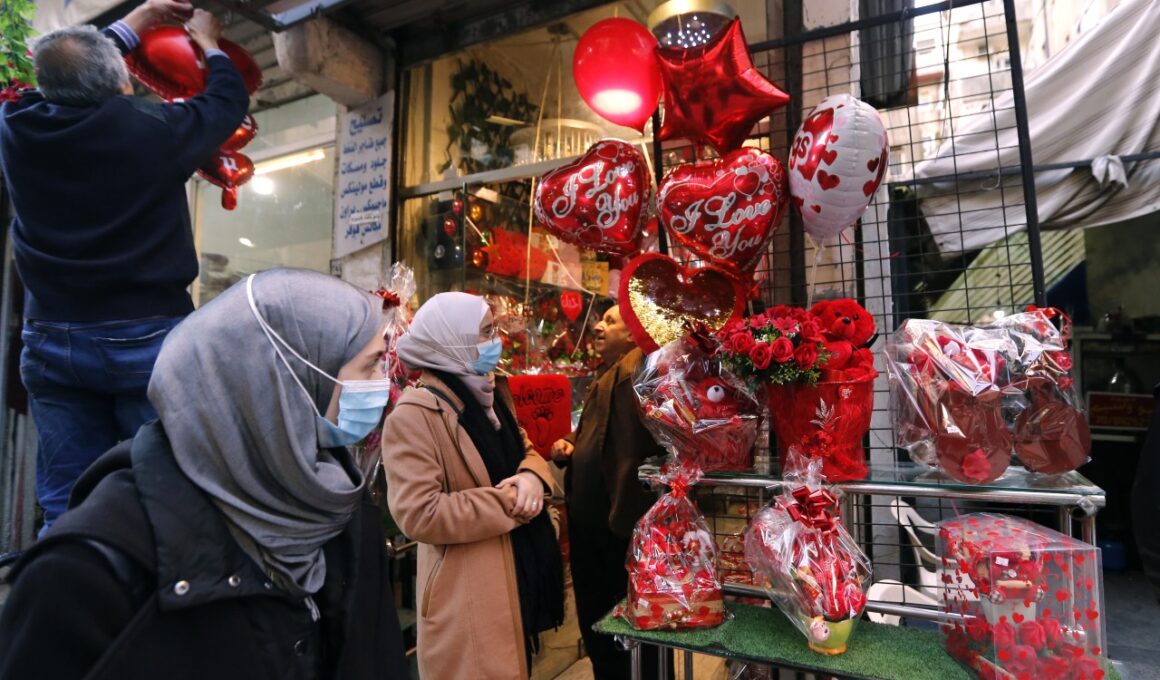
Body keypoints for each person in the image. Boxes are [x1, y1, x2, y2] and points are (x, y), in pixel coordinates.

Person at [0, 269, 408, 680]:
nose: (382, 384)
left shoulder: (340, 507)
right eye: (371, 364)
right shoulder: (88, 576)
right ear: (287, 381)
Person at [0, 0, 250, 530]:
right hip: (147, 341)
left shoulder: (17, 126)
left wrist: (139, 19)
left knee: (66, 500)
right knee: (163, 490)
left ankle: (68, 594)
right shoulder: (154, 132)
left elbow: (73, 71)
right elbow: (227, 101)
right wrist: (208, 44)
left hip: (51, 341)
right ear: (123, 83)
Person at [384, 292, 564, 679]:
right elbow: (420, 514)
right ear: (453, 338)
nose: (495, 340)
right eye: (485, 332)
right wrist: (515, 501)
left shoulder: (491, 394)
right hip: (468, 596)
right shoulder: (415, 415)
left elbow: (528, 450)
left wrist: (533, 476)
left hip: (517, 575)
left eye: (493, 329)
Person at [551, 304, 670, 680]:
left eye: (611, 321)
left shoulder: (639, 367)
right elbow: (600, 435)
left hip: (618, 526)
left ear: (635, 331)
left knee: (625, 633)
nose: (598, 328)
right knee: (601, 627)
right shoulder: (608, 374)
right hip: (594, 525)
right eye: (600, 320)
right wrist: (572, 442)